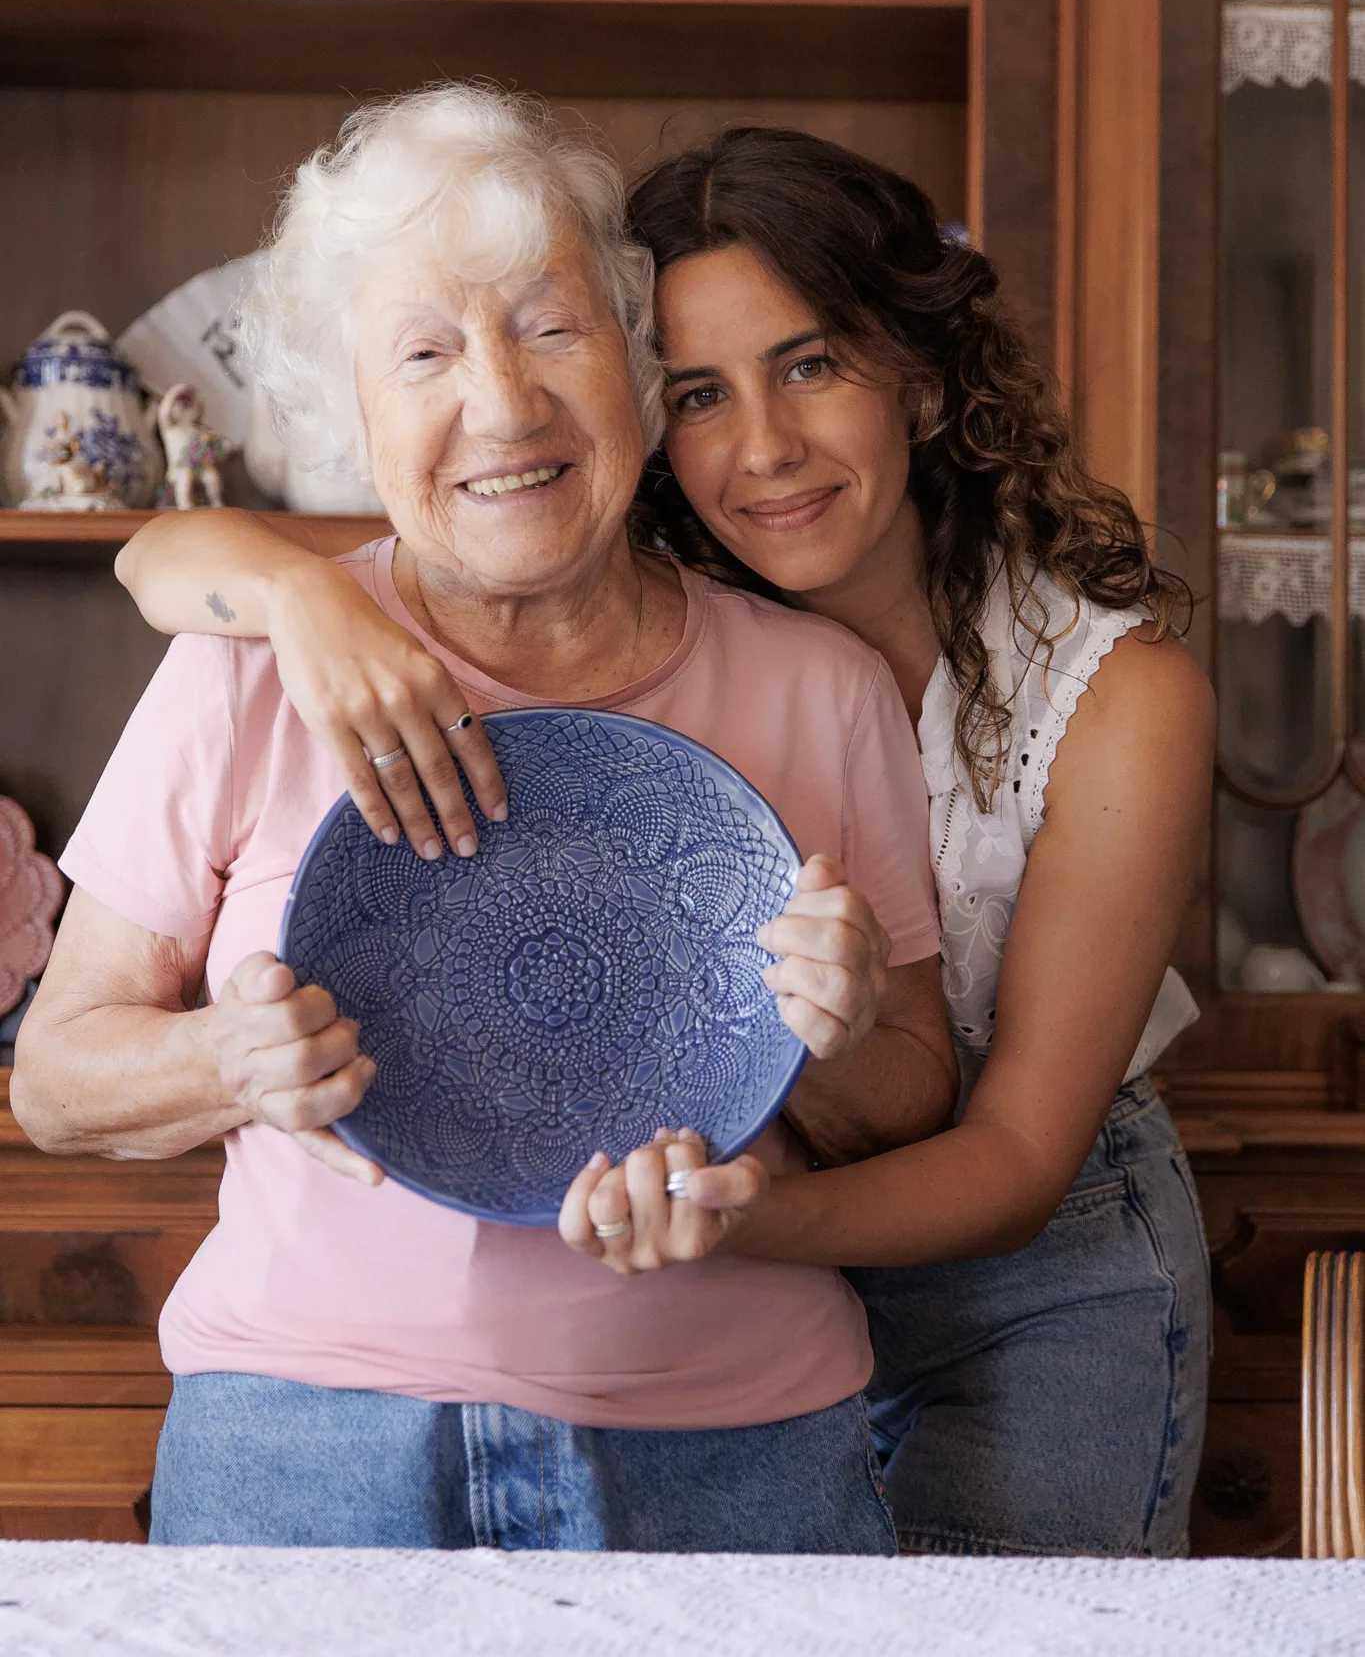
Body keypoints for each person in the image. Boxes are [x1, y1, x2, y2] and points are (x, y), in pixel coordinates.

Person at [117, 120, 1216, 1558]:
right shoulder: (643, 591)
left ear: (928, 382)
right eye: (700, 392)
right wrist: (290, 588)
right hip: (755, 1278)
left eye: (811, 364)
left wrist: (732, 1216)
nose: (761, 446)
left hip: (1035, 1257)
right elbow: (159, 557)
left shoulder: (1096, 694)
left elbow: (1001, 1157)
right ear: (651, 407)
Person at [12, 92, 951, 1554]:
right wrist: (225, 1060)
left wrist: (835, 1031)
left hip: (739, 1456)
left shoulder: (820, 687)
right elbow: (55, 1082)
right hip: (305, 1451)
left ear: (638, 369)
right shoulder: (251, 661)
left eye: (551, 328)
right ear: (353, 414)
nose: (505, 405)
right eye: (426, 353)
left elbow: (915, 1092)